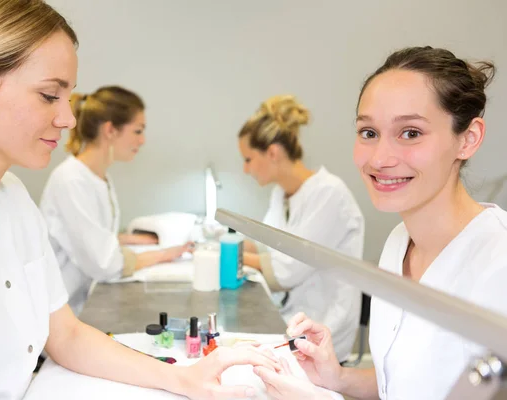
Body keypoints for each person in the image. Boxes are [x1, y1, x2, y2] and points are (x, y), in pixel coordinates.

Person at [0, 1, 280, 398]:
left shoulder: (11, 199)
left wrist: (181, 378)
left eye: (67, 98)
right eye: (49, 95)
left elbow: (64, 334)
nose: (68, 119)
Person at [254, 46, 507, 400]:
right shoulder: (398, 242)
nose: (380, 159)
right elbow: (402, 383)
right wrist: (337, 377)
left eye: (411, 133)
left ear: (468, 139)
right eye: (369, 133)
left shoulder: (499, 263)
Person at [40, 86, 193, 315]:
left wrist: (133, 239)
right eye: (138, 131)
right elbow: (105, 264)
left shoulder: (100, 177)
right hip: (61, 315)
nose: (142, 141)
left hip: (82, 303)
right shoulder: (71, 180)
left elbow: (95, 235)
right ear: (110, 130)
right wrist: (165, 254)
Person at [238, 95, 364, 362]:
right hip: (292, 319)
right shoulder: (280, 194)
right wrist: (226, 245)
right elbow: (265, 246)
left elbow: (285, 271)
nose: (245, 169)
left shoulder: (329, 194)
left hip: (323, 330)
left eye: (248, 159)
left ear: (272, 153)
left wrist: (230, 256)